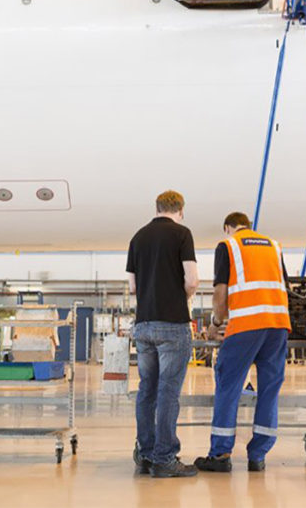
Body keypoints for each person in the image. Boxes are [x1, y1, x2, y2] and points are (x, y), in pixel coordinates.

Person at [193, 212, 290, 473]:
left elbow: (220, 291)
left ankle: (221, 454)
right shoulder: (274, 245)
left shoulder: (228, 245)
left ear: (228, 228)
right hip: (278, 325)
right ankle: (258, 456)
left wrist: (215, 324)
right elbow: (284, 286)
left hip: (247, 325)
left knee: (229, 385)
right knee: (269, 389)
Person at [126, 191, 200, 478]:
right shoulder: (182, 234)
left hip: (143, 324)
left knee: (147, 390)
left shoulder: (138, 237)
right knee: (168, 391)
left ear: (157, 208)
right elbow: (191, 279)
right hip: (173, 323)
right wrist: (182, 294)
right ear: (179, 210)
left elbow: (132, 287)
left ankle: (145, 455)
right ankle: (165, 459)